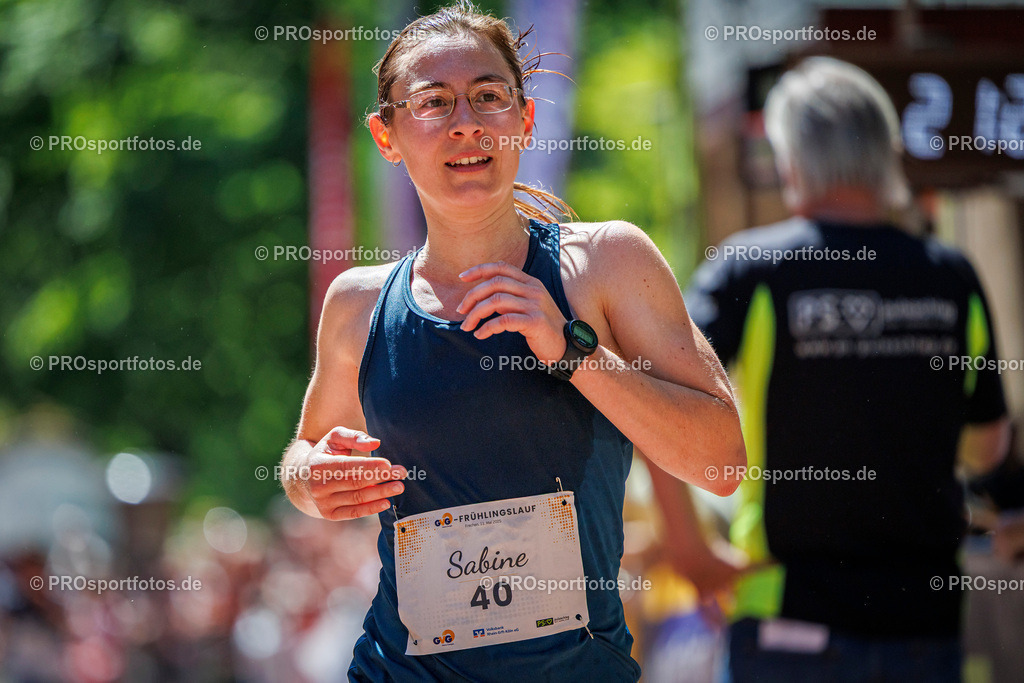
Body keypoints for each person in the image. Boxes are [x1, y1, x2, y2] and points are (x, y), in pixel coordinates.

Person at [278, 2, 746, 681]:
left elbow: (721, 461)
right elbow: (302, 454)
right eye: (432, 102)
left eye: (488, 97)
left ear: (525, 120)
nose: (465, 122)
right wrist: (310, 479)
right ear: (387, 136)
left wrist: (573, 351)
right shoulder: (357, 303)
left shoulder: (606, 265)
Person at [684, 57, 1011, 681]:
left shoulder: (750, 268)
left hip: (786, 620)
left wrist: (689, 547)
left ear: (791, 159)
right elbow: (988, 447)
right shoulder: (951, 275)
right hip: (926, 625)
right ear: (886, 154)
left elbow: (651, 401)